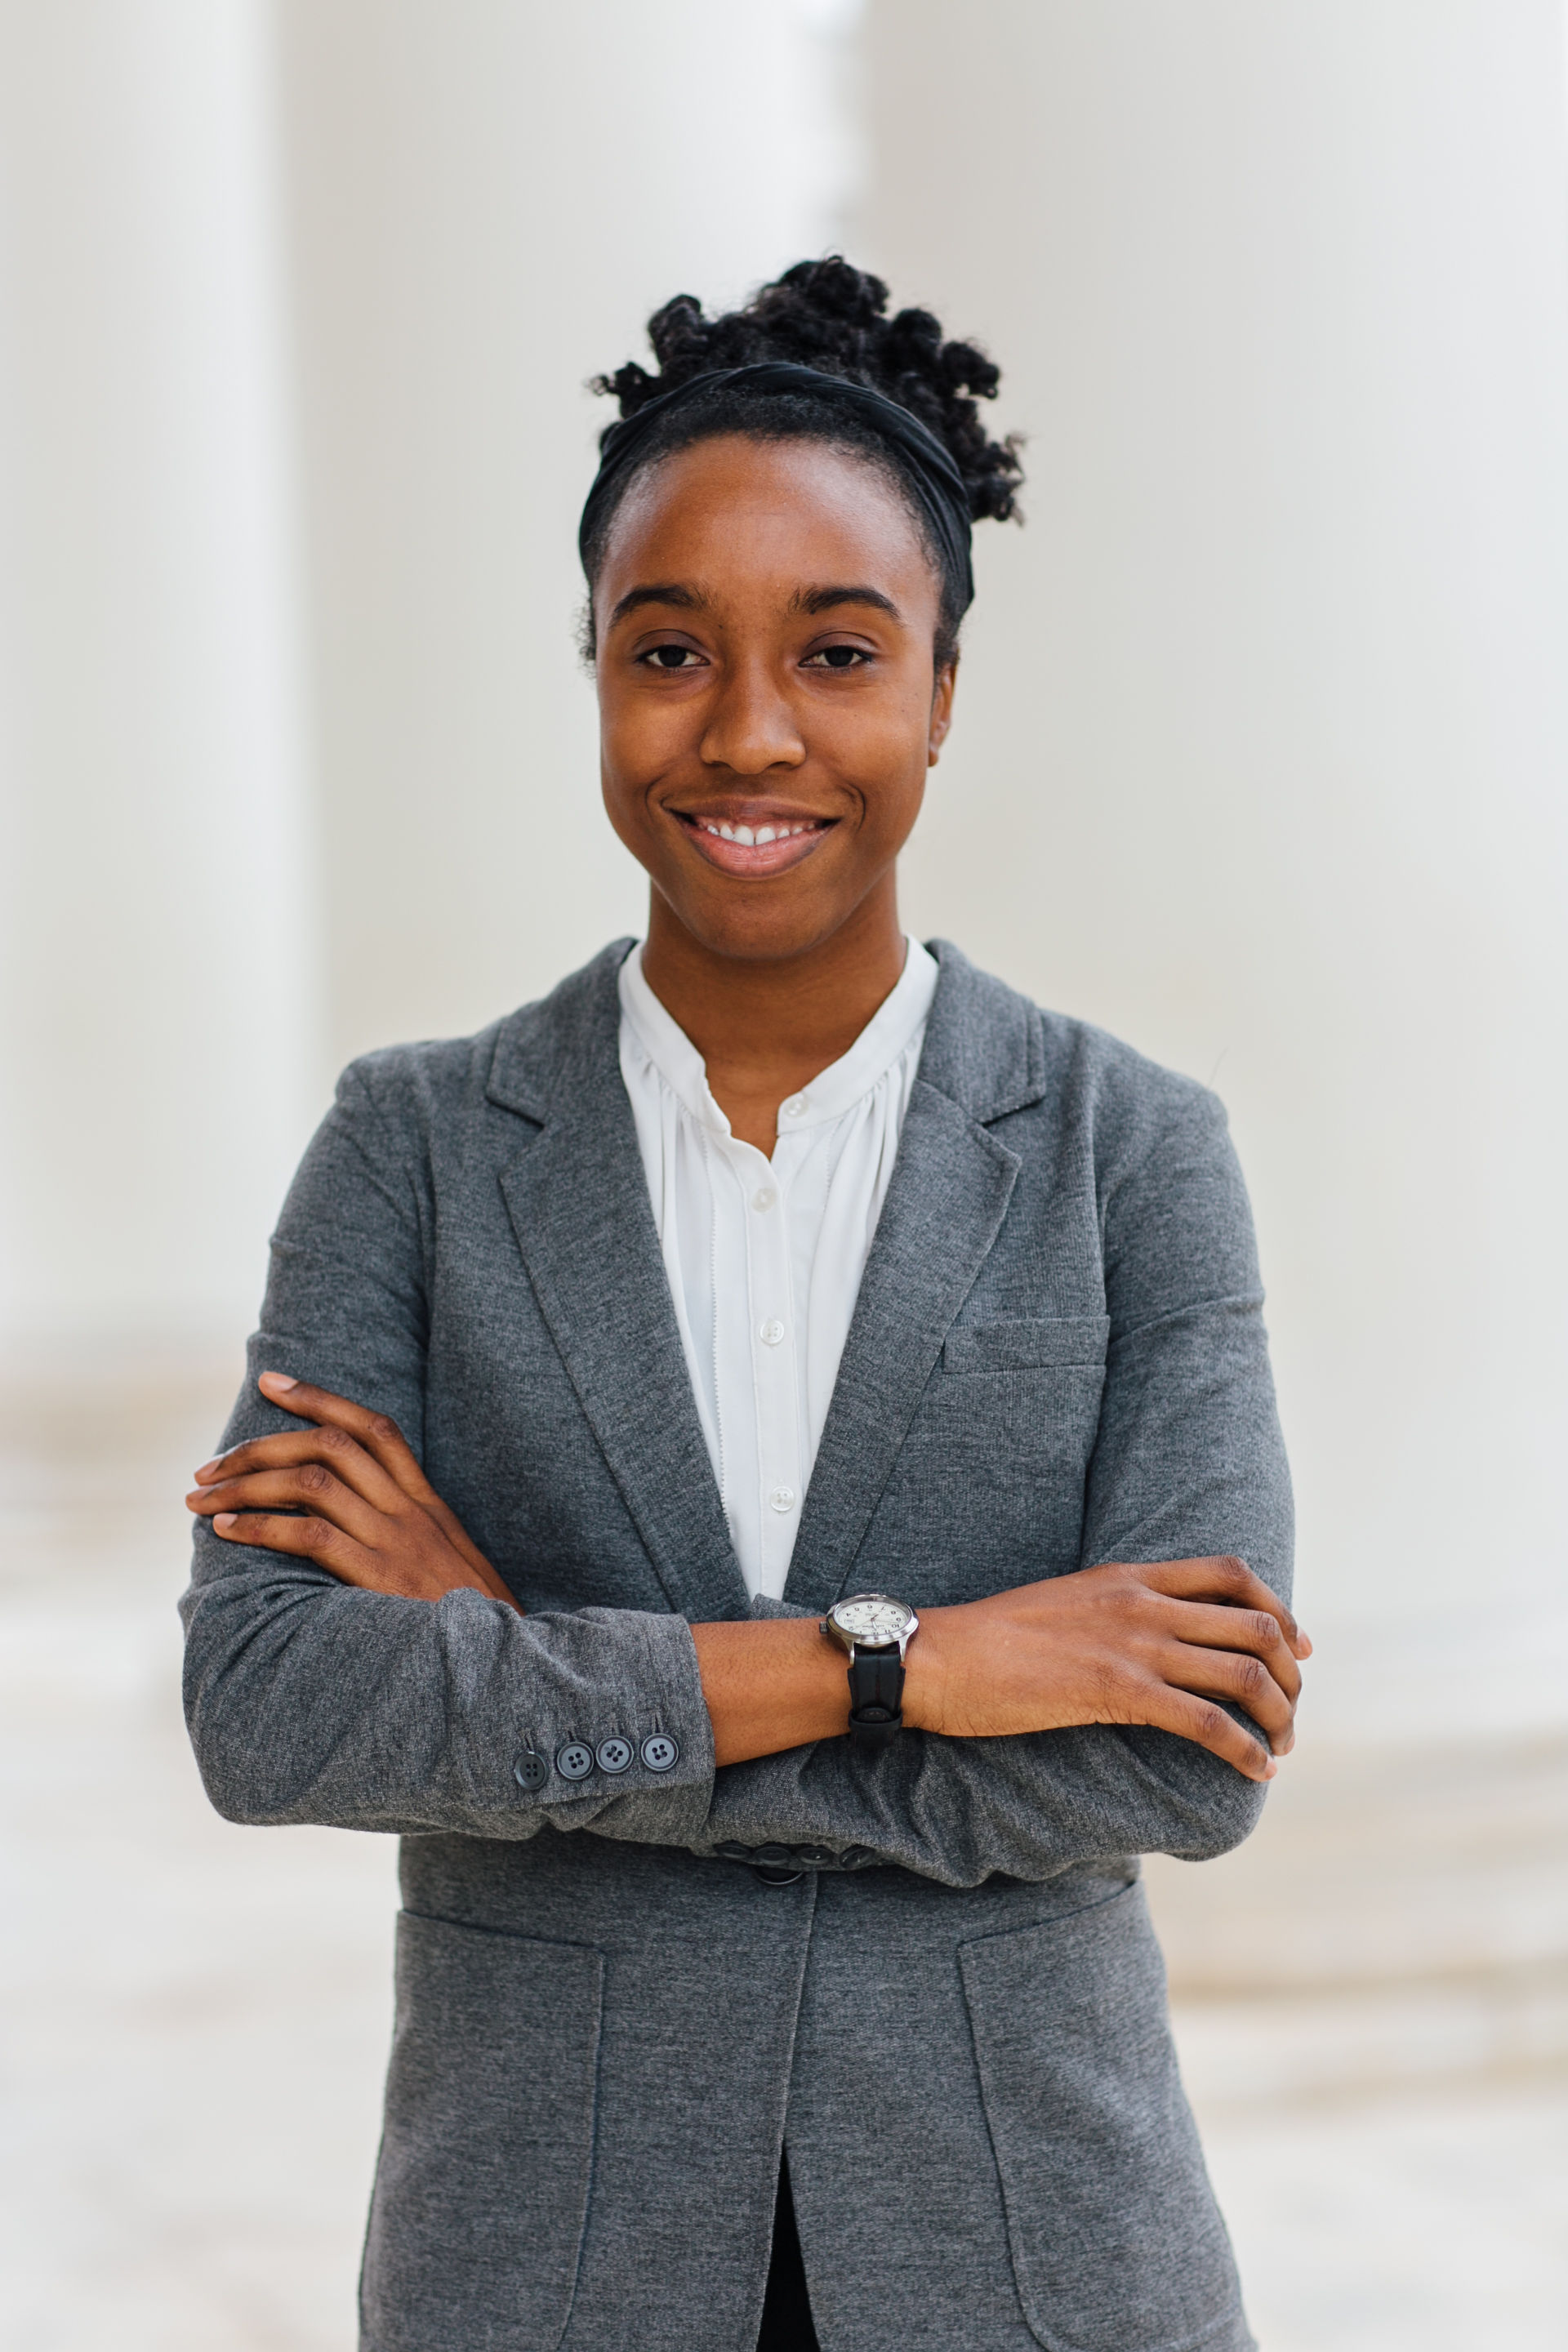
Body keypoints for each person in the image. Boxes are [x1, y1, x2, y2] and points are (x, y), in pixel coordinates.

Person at [182, 257, 1305, 2352]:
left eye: (842, 649)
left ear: (945, 691)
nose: (752, 731)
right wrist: (918, 1666)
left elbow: (1188, 1763)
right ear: (594, 669)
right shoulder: (412, 1149)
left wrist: (520, 1669)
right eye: (671, 648)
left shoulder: (1129, 1152)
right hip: (543, 2260)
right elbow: (268, 1714)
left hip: (1035, 2260)